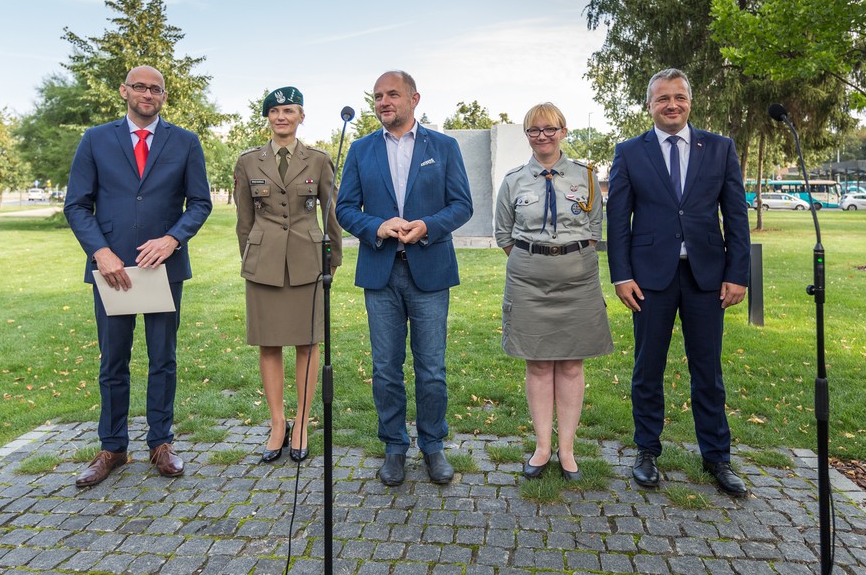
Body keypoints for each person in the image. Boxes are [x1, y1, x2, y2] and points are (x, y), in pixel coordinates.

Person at [64, 65, 212, 487]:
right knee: (113, 361)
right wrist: (100, 252)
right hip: (111, 269)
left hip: (164, 268)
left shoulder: (185, 141)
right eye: (141, 87)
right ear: (125, 91)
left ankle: (161, 444)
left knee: (163, 358)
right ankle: (112, 446)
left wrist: (173, 240)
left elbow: (199, 203)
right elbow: (77, 204)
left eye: (157, 89)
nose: (148, 94)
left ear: (164, 96)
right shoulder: (95, 139)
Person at [606, 68, 751, 496]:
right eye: (663, 98)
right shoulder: (630, 151)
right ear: (649, 104)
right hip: (649, 278)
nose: (672, 105)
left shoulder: (720, 148)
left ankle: (717, 457)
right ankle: (647, 450)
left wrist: (737, 274)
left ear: (690, 101)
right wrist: (621, 275)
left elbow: (736, 217)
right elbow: (618, 222)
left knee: (708, 370)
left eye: (680, 97)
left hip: (707, 276)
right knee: (648, 368)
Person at [335, 70, 473, 486]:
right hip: (381, 272)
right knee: (385, 369)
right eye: (377, 96)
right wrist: (376, 226)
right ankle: (394, 446)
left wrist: (427, 225)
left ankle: (433, 446)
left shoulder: (444, 147)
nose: (383, 102)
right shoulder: (360, 150)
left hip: (429, 269)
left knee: (431, 368)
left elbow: (462, 205)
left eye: (392, 94)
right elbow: (344, 209)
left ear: (414, 98)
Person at [494, 102, 613, 481]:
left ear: (563, 131)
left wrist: (565, 257)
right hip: (529, 279)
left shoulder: (587, 177)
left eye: (549, 129)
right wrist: (538, 258)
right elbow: (503, 234)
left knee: (572, 362)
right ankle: (543, 447)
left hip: (578, 279)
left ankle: (568, 450)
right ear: (527, 136)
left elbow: (594, 231)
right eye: (534, 130)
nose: (542, 136)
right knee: (539, 362)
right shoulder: (514, 180)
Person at [234, 86, 342, 463]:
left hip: (306, 260)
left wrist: (332, 261)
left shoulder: (318, 160)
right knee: (269, 343)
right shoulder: (248, 162)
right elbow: (244, 222)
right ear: (267, 117)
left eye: (290, 110)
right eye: (275, 111)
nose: (282, 117)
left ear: (301, 116)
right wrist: (252, 258)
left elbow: (331, 215)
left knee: (307, 343)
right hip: (264, 262)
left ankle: (301, 422)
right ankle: (277, 422)